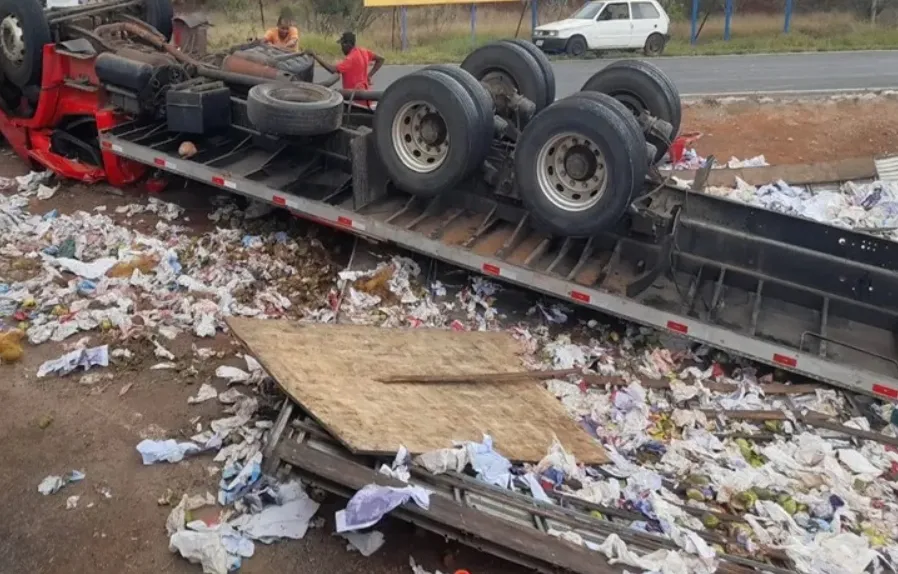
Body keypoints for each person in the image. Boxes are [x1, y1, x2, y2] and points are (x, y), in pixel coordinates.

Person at [307, 32, 384, 108]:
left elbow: (333, 69)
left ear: (347, 44)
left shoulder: (350, 59)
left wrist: (315, 56)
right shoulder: (363, 51)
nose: (341, 48)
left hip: (355, 100)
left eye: (342, 45)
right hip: (366, 97)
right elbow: (380, 60)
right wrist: (369, 76)